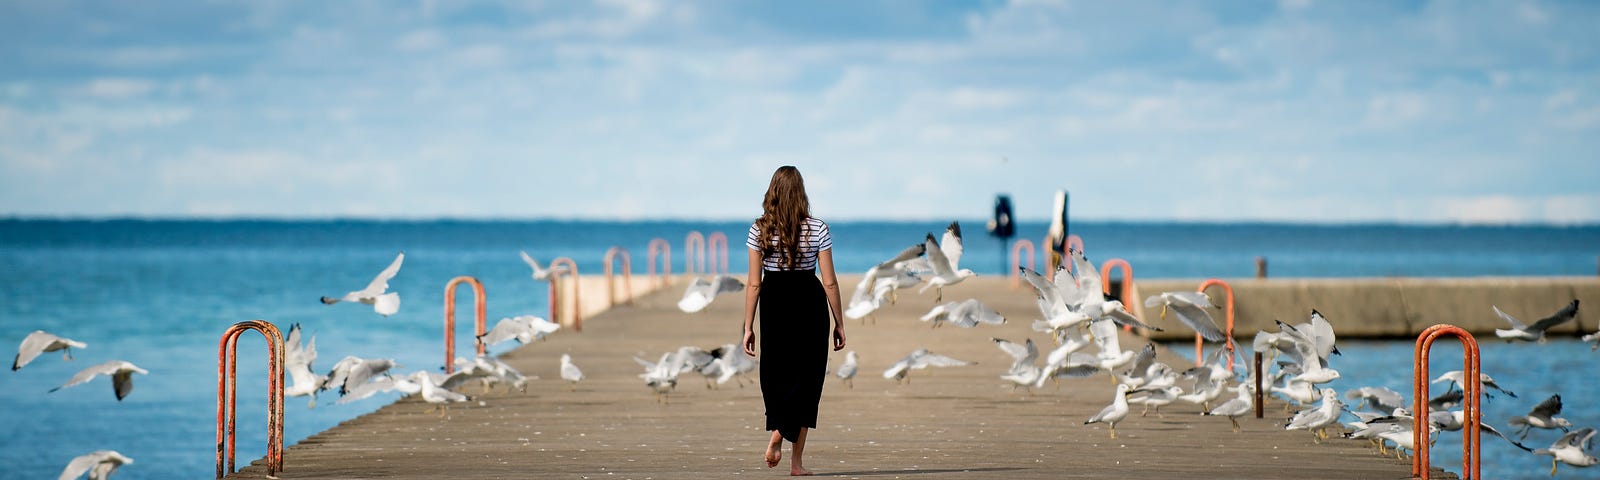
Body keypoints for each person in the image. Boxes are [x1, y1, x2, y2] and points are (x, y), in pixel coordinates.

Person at [741, 165, 846, 476]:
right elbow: (829, 281)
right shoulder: (818, 228)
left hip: (774, 303)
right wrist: (839, 322)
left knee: (776, 375)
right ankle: (796, 462)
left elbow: (754, 283)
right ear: (802, 194)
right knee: (808, 379)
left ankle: (778, 430)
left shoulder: (759, 230)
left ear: (772, 193)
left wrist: (747, 326)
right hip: (809, 302)